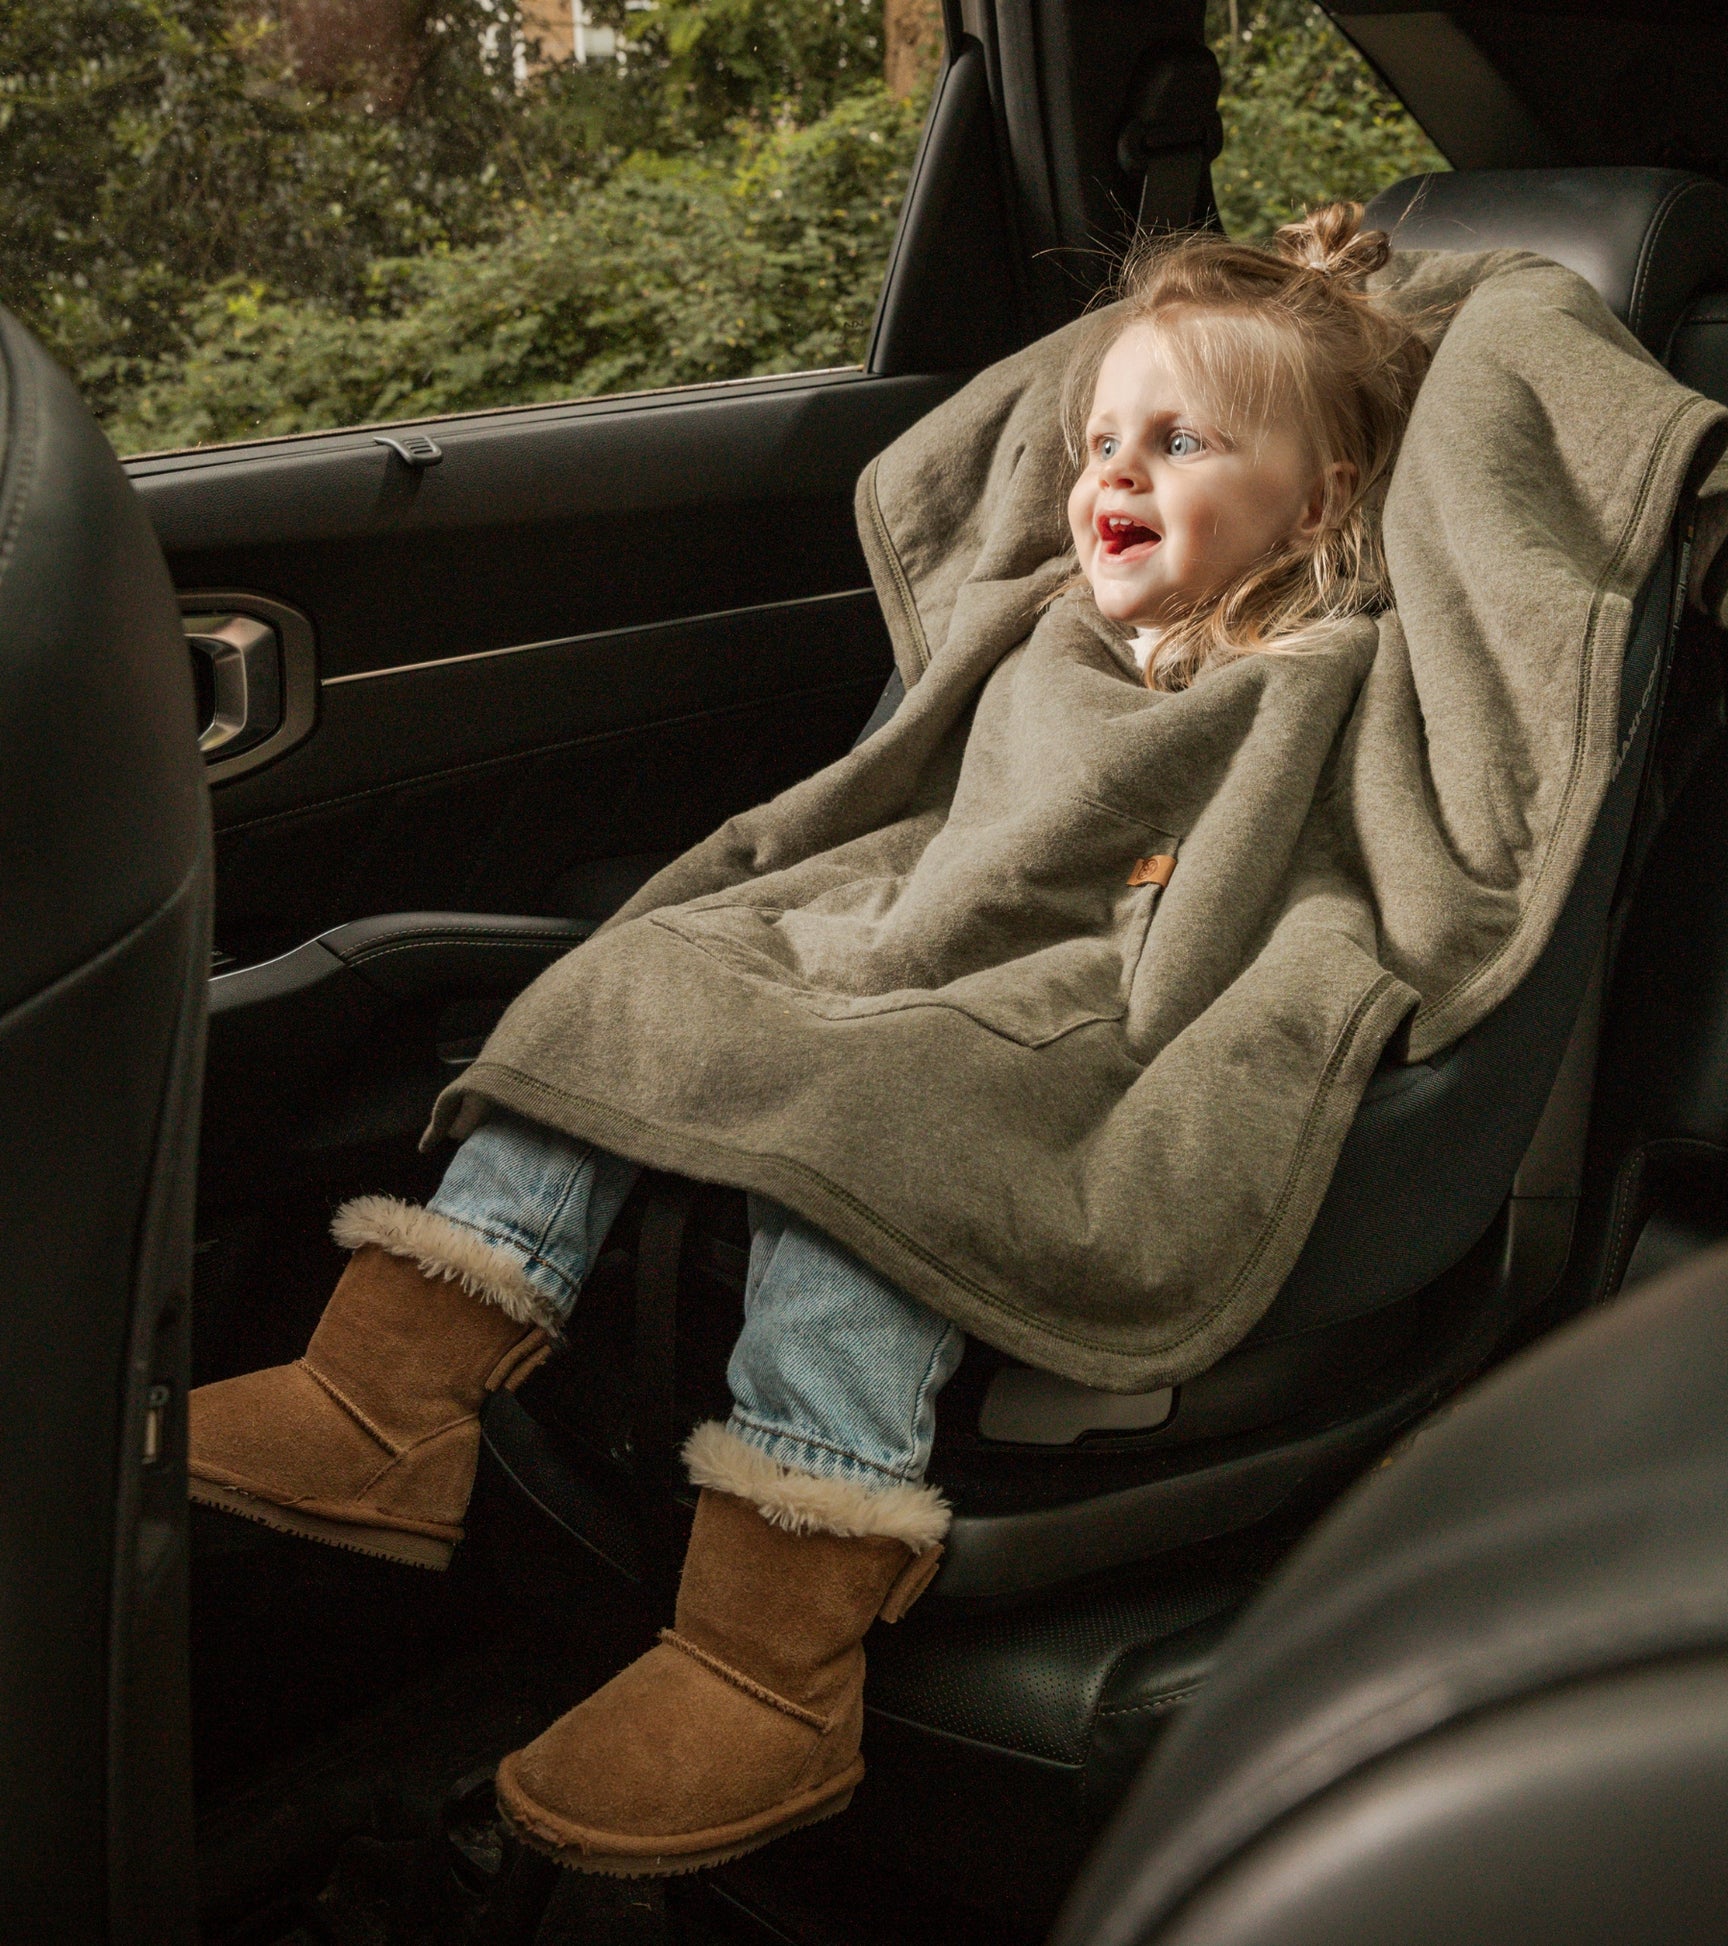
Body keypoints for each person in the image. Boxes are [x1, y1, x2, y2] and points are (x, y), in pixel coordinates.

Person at [188, 202, 1430, 1876]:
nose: (1110, 475)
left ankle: (768, 1658)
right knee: (648, 972)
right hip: (919, 912)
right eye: (1099, 442)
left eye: (1181, 441)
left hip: (1084, 979)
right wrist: (1267, 293)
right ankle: (387, 1388)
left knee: (882, 1128)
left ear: (1324, 498)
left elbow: (1279, 877)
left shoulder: (1311, 664)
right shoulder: (1052, 612)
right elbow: (968, 681)